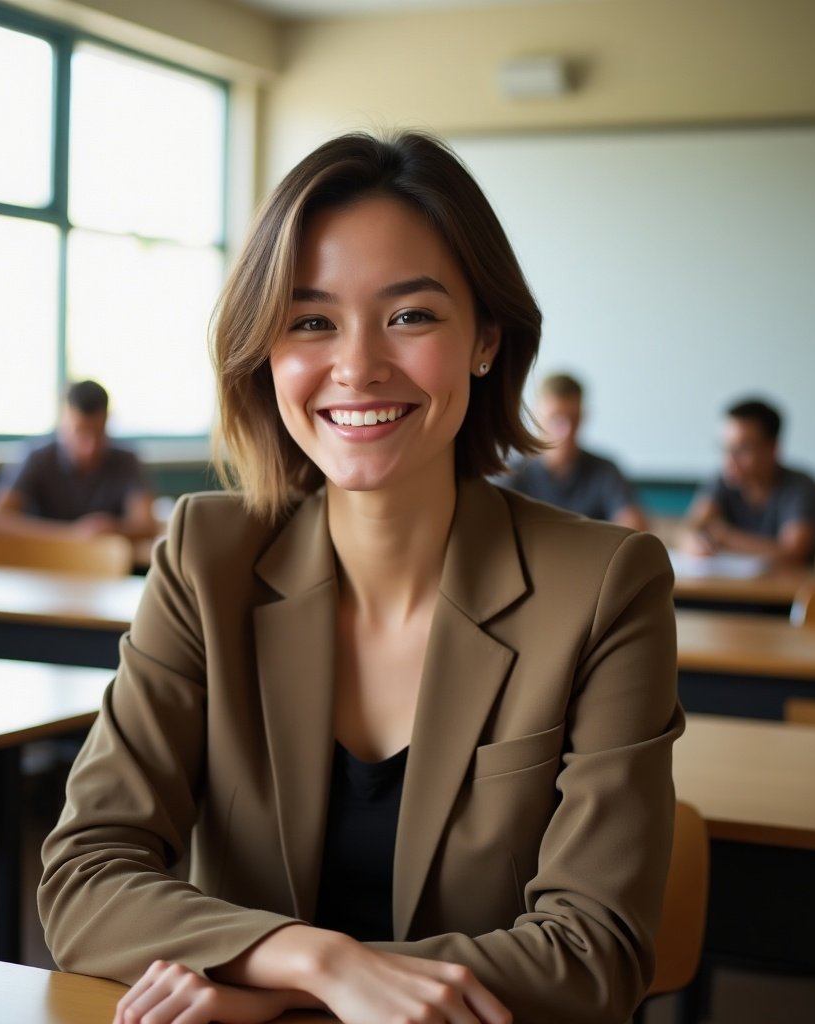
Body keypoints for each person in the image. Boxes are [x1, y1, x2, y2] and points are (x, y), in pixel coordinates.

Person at [38, 131, 682, 1024]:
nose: (357, 365)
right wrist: (318, 964)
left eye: (410, 316)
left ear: (486, 339)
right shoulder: (205, 556)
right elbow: (85, 877)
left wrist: (269, 995)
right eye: (310, 321)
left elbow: (593, 950)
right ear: (265, 353)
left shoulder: (608, 584)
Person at [0, 379, 158, 541]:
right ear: (63, 421)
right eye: (80, 432)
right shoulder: (37, 457)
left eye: (99, 432)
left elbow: (147, 525)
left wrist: (113, 529)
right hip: (44, 567)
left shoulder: (126, 460)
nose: (90, 446)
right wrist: (73, 534)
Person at [494, 372, 648, 531]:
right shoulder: (513, 474)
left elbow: (634, 526)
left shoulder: (605, 472)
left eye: (573, 419)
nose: (566, 431)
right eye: (555, 419)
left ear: (583, 417)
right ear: (537, 417)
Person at [680, 397, 815, 565]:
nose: (729, 460)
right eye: (725, 448)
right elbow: (688, 528)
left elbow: (793, 552)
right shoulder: (723, 479)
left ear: (773, 448)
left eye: (742, 449)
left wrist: (726, 537)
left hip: (785, 589)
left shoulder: (800, 486)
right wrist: (693, 542)